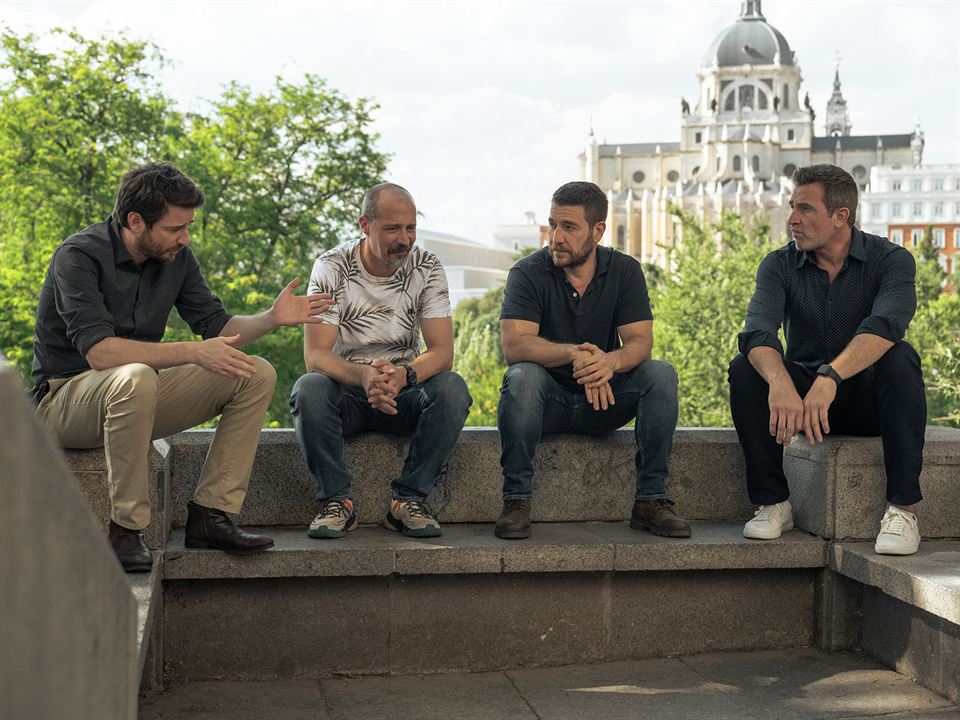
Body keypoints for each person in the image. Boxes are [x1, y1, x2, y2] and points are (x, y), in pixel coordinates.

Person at [30, 162, 332, 572]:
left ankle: (211, 515)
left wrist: (270, 318)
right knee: (134, 376)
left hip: (136, 399)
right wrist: (192, 351)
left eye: (188, 227)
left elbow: (219, 329)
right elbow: (100, 354)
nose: (185, 238)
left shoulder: (178, 258)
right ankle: (126, 530)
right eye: (175, 228)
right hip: (64, 403)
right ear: (136, 221)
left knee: (254, 373)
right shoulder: (78, 256)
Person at [729, 164, 925, 555]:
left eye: (805, 209)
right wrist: (782, 382)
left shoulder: (892, 261)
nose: (792, 220)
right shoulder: (778, 265)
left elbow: (886, 325)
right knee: (746, 368)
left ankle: (902, 511)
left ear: (840, 217)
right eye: (791, 207)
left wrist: (831, 376)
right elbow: (758, 332)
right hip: (803, 405)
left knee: (901, 357)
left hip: (866, 402)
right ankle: (773, 503)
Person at [494, 181, 688, 540]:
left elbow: (640, 343)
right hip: (546, 403)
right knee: (522, 377)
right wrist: (576, 355)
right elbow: (515, 347)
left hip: (604, 400)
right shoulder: (527, 272)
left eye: (569, 227)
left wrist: (609, 364)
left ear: (597, 231)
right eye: (553, 224)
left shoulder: (625, 271)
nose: (556, 237)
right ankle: (516, 501)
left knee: (660, 374)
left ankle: (651, 500)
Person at [290, 182, 471, 540]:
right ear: (364, 225)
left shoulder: (427, 266)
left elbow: (442, 352)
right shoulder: (331, 267)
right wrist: (363, 377)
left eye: (410, 228)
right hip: (348, 394)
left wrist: (404, 375)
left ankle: (409, 501)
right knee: (308, 388)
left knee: (452, 388)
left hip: (403, 391)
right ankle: (336, 503)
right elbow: (316, 356)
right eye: (392, 229)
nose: (404, 239)